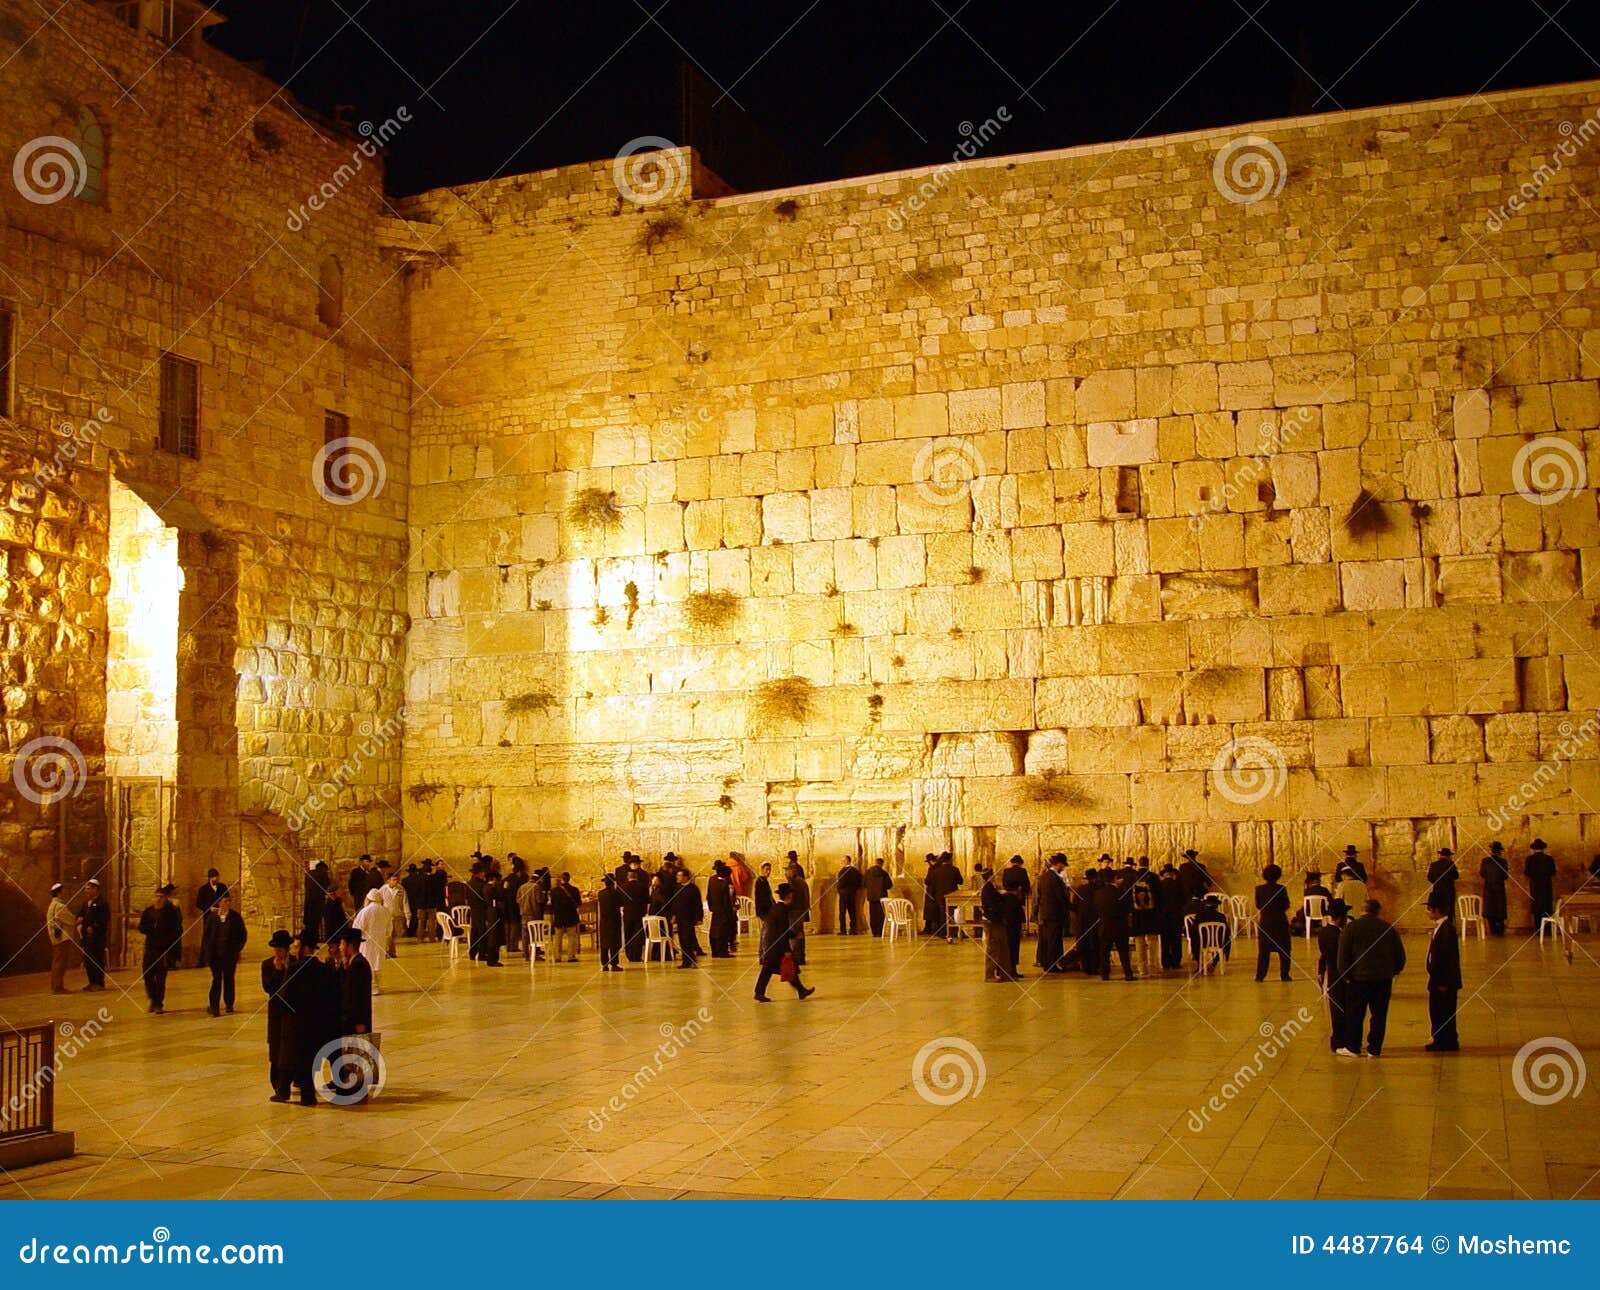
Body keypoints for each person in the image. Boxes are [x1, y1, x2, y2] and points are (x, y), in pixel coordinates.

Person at [1336, 899, 1406, 1058]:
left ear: (1362, 910)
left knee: (1355, 1014)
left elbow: (1342, 958)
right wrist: (1392, 971)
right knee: (1379, 1015)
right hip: (1382, 979)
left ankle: (1353, 1047)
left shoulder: (1350, 928)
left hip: (1358, 979)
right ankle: (1374, 1049)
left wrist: (1347, 976)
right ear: (1378, 911)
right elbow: (1400, 956)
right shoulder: (1387, 928)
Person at [283, 934, 332, 1106]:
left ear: (305, 948)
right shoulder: (325, 968)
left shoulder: (294, 969)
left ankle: (307, 1095)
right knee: (314, 1057)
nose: (293, 951)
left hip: (299, 1022)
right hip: (318, 1021)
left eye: (296, 947)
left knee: (302, 1059)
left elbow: (285, 996)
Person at [753, 883, 814, 1002]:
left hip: (772, 943)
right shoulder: (782, 910)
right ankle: (759, 993)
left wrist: (794, 935)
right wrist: (786, 950)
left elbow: (780, 929)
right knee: (777, 969)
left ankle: (801, 990)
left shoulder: (776, 908)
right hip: (776, 946)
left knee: (783, 969)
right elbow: (782, 932)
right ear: (789, 896)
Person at [1424, 894, 1462, 1052]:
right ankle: (1444, 1038)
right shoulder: (1442, 928)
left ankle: (1443, 1040)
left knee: (1442, 1011)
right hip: (1439, 980)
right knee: (1438, 1010)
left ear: (1436, 910)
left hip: (1443, 981)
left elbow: (1447, 959)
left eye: (1429, 909)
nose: (1427, 912)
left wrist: (1443, 982)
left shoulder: (1446, 930)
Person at [137, 884, 183, 1013]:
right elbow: (142, 927)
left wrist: (173, 950)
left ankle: (158, 1003)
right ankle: (152, 997)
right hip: (150, 947)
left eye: (161, 897)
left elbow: (177, 930)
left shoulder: (172, 912)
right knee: (147, 974)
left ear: (165, 898)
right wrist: (151, 929)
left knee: (161, 977)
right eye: (156, 896)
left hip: (164, 950)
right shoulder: (149, 911)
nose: (158, 899)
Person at [262, 930, 295, 1102]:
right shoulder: (267, 965)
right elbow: (268, 988)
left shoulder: (295, 964)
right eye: (275, 949)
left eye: (280, 949)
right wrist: (277, 971)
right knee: (275, 1051)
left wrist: (287, 969)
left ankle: (288, 1082)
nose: (277, 952)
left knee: (289, 1050)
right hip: (275, 1014)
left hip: (290, 1014)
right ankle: (277, 1084)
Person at [202, 892, 248, 1015]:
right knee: (216, 979)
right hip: (215, 955)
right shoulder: (212, 918)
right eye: (224, 901)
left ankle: (229, 1004)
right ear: (219, 903)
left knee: (229, 979)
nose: (227, 904)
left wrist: (236, 949)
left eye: (229, 901)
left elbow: (242, 935)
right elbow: (206, 937)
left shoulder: (235, 917)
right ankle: (214, 1006)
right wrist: (207, 953)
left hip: (229, 955)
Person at [1315, 899, 1351, 1053]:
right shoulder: (1339, 935)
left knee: (1336, 1009)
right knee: (1341, 1009)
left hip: (1331, 973)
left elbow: (1322, 955)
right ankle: (1339, 1041)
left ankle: (1338, 1040)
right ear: (1341, 916)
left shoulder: (1323, 932)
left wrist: (1321, 971)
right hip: (1340, 975)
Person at [1094, 867, 1134, 981]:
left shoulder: (1098, 893)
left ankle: (1104, 974)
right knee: (1123, 951)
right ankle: (1128, 973)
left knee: (1104, 951)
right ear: (1115, 879)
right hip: (1119, 925)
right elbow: (1128, 908)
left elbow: (1096, 909)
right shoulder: (1121, 892)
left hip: (1104, 925)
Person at [1254, 864, 1292, 982]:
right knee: (1284, 950)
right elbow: (1286, 905)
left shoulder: (1259, 889)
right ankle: (1284, 975)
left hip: (1265, 922)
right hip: (1280, 921)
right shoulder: (1281, 888)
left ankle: (1260, 975)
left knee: (1263, 951)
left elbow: (1258, 905)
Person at [979, 868, 1017, 981]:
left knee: (1003, 949)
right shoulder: (987, 888)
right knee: (994, 949)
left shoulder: (991, 888)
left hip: (998, 922)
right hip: (993, 922)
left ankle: (1005, 973)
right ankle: (989, 975)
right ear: (990, 876)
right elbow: (993, 906)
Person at [1035, 855, 1069, 973]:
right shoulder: (1055, 878)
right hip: (1054, 914)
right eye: (1063, 865)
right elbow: (1060, 897)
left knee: (1047, 939)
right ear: (1058, 864)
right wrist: (1068, 907)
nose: (1063, 867)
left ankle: (1046, 963)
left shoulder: (1043, 877)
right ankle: (1051, 965)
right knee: (1054, 940)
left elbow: (1039, 896)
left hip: (1045, 913)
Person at [352, 889, 392, 990]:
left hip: (367, 941)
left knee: (368, 962)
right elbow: (389, 928)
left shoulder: (365, 911)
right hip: (380, 940)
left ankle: (372, 986)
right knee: (377, 962)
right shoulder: (385, 911)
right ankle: (377, 985)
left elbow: (357, 928)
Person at [77, 878, 110, 991]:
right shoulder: (85, 903)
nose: (87, 891)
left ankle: (99, 983)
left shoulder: (102, 903)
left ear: (95, 889)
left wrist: (95, 927)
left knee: (97, 959)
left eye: (89, 889)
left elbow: (104, 920)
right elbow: (80, 915)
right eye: (86, 889)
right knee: (88, 960)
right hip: (86, 938)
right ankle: (91, 982)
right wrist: (79, 919)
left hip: (97, 938)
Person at [668, 868, 703, 968]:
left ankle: (692, 960)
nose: (677, 877)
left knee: (688, 939)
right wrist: (673, 915)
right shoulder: (677, 888)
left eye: (679, 876)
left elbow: (698, 904)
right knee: (682, 940)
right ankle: (686, 961)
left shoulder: (693, 888)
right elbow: (674, 903)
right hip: (680, 918)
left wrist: (699, 918)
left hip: (689, 918)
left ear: (685, 877)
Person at [195, 869, 229, 967]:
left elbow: (227, 898)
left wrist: (222, 906)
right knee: (207, 936)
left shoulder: (222, 887)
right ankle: (202, 960)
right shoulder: (203, 889)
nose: (217, 879)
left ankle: (222, 958)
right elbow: (199, 903)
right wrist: (209, 908)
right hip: (209, 916)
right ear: (210, 878)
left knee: (222, 936)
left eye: (218, 877)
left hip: (221, 914)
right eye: (215, 877)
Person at [1188, 892, 1232, 966]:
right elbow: (1227, 932)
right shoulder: (1221, 916)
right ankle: (1215, 961)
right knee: (1226, 940)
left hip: (1203, 942)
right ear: (1216, 906)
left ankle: (1199, 962)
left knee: (1194, 939)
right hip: (1217, 942)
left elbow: (1192, 931)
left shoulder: (1199, 916)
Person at [46, 882, 75, 994]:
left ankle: (55, 986)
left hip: (56, 939)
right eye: (62, 891)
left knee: (57, 962)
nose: (64, 893)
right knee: (61, 963)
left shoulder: (52, 906)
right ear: (59, 892)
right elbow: (71, 920)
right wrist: (79, 920)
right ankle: (58, 987)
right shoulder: (59, 906)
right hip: (62, 939)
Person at [1157, 862, 1185, 969]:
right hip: (1176, 916)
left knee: (1165, 940)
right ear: (1172, 874)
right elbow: (1183, 900)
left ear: (1164, 874)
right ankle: (1176, 961)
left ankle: (1165, 962)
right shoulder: (1178, 885)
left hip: (1164, 917)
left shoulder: (1160, 885)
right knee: (1176, 939)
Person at [1525, 839, 1556, 932]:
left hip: (1535, 887)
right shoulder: (1549, 859)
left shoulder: (1529, 859)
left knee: (1537, 907)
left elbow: (1527, 872)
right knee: (1547, 907)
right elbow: (1553, 872)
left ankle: (1538, 929)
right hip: (1546, 886)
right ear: (1543, 848)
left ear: (1533, 849)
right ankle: (1547, 929)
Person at [1479, 841, 1509, 936]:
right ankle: (1500, 931)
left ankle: (1493, 931)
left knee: (1490, 910)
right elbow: (1505, 875)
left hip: (1488, 888)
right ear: (1500, 851)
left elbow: (1482, 873)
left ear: (1491, 850)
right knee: (1499, 910)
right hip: (1499, 888)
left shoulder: (1485, 861)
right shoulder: (1503, 862)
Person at [707, 861, 737, 956]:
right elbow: (726, 900)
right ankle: (722, 952)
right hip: (724, 911)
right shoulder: (724, 883)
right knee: (723, 932)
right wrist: (730, 912)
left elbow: (708, 896)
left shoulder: (712, 880)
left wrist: (711, 907)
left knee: (714, 931)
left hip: (715, 910)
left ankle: (715, 951)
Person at [550, 872, 581, 963]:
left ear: (561, 879)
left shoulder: (554, 891)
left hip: (559, 917)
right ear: (569, 879)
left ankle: (557, 956)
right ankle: (571, 956)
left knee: (558, 938)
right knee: (571, 937)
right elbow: (578, 903)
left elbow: (552, 904)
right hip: (571, 916)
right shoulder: (574, 890)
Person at [378, 872, 409, 958]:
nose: (396, 881)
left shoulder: (400, 889)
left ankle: (392, 951)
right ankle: (388, 951)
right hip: (386, 915)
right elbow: (379, 901)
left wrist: (407, 915)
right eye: (394, 880)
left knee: (394, 934)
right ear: (388, 881)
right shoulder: (382, 890)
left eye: (397, 880)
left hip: (397, 914)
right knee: (388, 934)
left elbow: (405, 902)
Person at [598, 874, 624, 971]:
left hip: (604, 921)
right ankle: (614, 964)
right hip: (614, 920)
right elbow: (621, 903)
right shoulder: (617, 894)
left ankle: (604, 964)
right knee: (614, 943)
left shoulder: (600, 893)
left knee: (604, 943)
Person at [862, 857, 893, 937]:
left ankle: (874, 932)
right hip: (882, 897)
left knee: (872, 914)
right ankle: (880, 932)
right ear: (882, 864)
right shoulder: (884, 873)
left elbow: (864, 884)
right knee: (881, 915)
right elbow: (889, 885)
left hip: (871, 896)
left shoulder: (868, 872)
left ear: (875, 862)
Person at [1425, 847, 1459, 920]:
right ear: (1449, 856)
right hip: (1449, 892)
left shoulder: (1433, 865)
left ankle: (1440, 927)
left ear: (1440, 855)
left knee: (1439, 912)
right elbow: (1456, 876)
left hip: (1437, 891)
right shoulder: (1450, 864)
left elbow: (1429, 877)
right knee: (1449, 912)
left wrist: (1437, 883)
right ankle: (1448, 928)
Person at [835, 857, 863, 934]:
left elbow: (841, 883)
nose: (842, 862)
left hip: (844, 894)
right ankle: (853, 930)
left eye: (843, 861)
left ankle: (843, 930)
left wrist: (839, 888)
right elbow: (860, 881)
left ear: (847, 861)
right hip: (853, 893)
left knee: (842, 913)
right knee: (852, 912)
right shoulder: (855, 871)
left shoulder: (843, 871)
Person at [304, 861, 330, 940]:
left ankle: (309, 937)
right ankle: (316, 937)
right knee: (316, 920)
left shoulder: (309, 873)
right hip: (318, 900)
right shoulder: (324, 873)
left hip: (308, 899)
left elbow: (305, 885)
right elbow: (326, 886)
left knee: (309, 919)